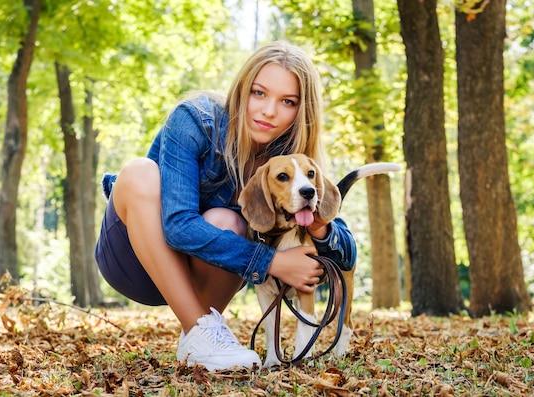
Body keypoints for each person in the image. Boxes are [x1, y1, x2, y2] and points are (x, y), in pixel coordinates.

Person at [95, 41, 357, 371]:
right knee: (138, 173)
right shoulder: (195, 120)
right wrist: (272, 261)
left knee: (228, 219)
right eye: (259, 93)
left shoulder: (292, 164)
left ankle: (201, 336)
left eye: (287, 101)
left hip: (201, 277)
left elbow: (346, 251)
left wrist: (319, 226)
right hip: (135, 262)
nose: (269, 111)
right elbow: (177, 225)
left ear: (301, 111)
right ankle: (201, 329)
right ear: (242, 87)